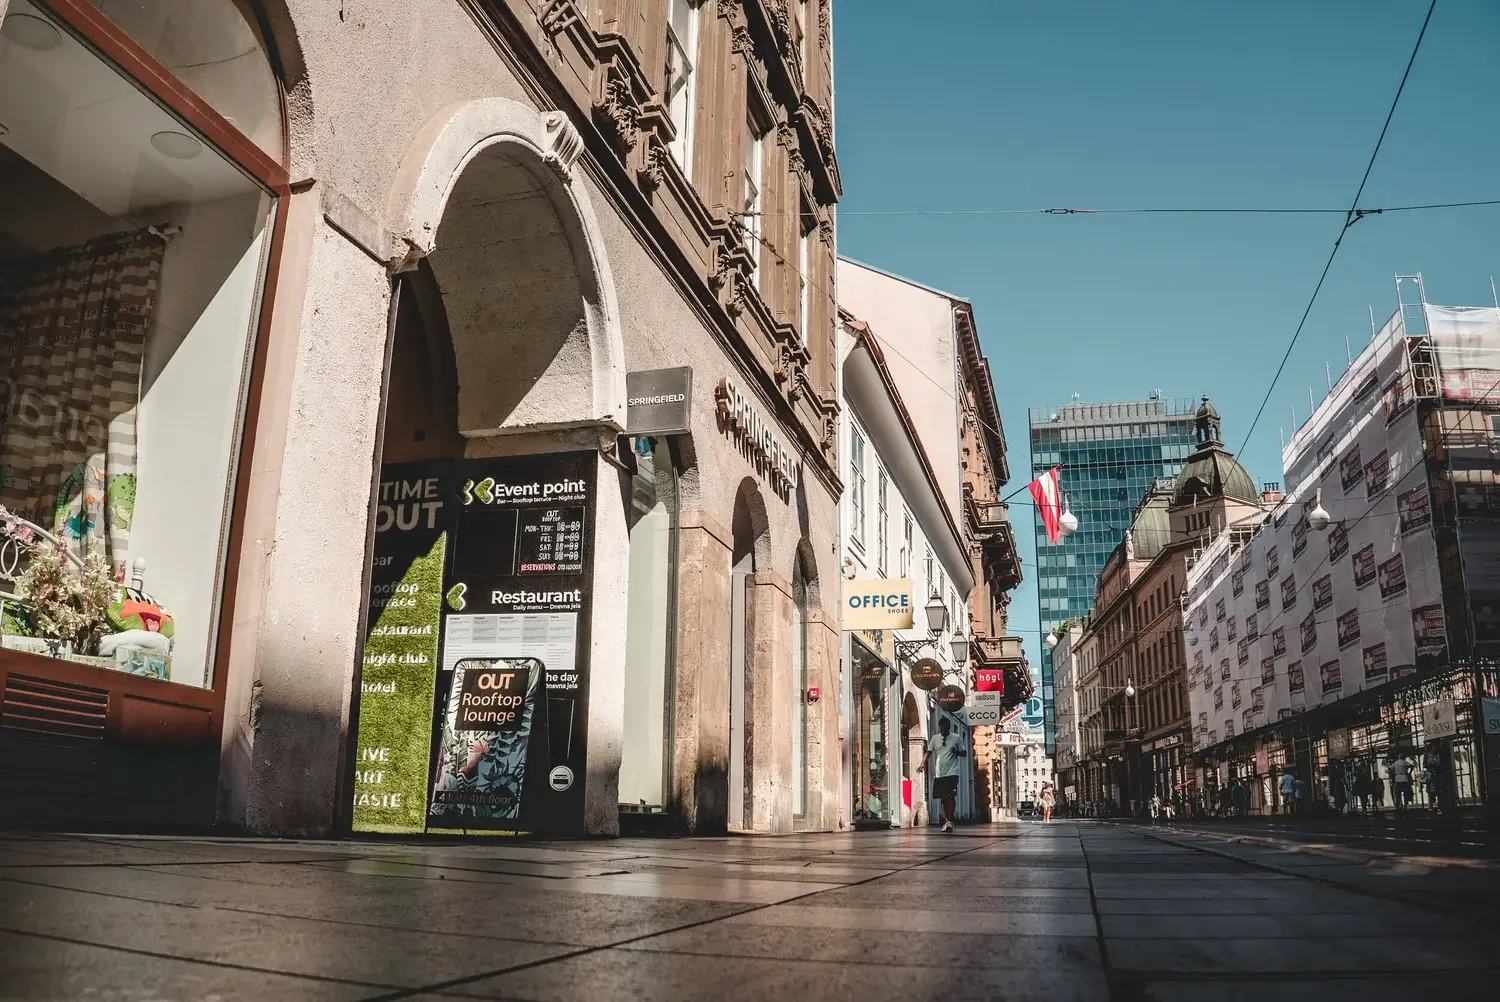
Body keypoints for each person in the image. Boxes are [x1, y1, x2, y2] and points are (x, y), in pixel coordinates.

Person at [919, 716, 967, 833]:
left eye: (945, 730)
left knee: (950, 796)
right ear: (939, 727)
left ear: (949, 728)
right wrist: (923, 763)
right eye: (941, 729)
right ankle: (947, 821)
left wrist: (956, 751)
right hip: (939, 773)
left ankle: (950, 820)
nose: (943, 732)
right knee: (943, 798)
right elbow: (929, 752)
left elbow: (964, 753)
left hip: (952, 772)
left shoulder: (956, 738)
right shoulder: (935, 738)